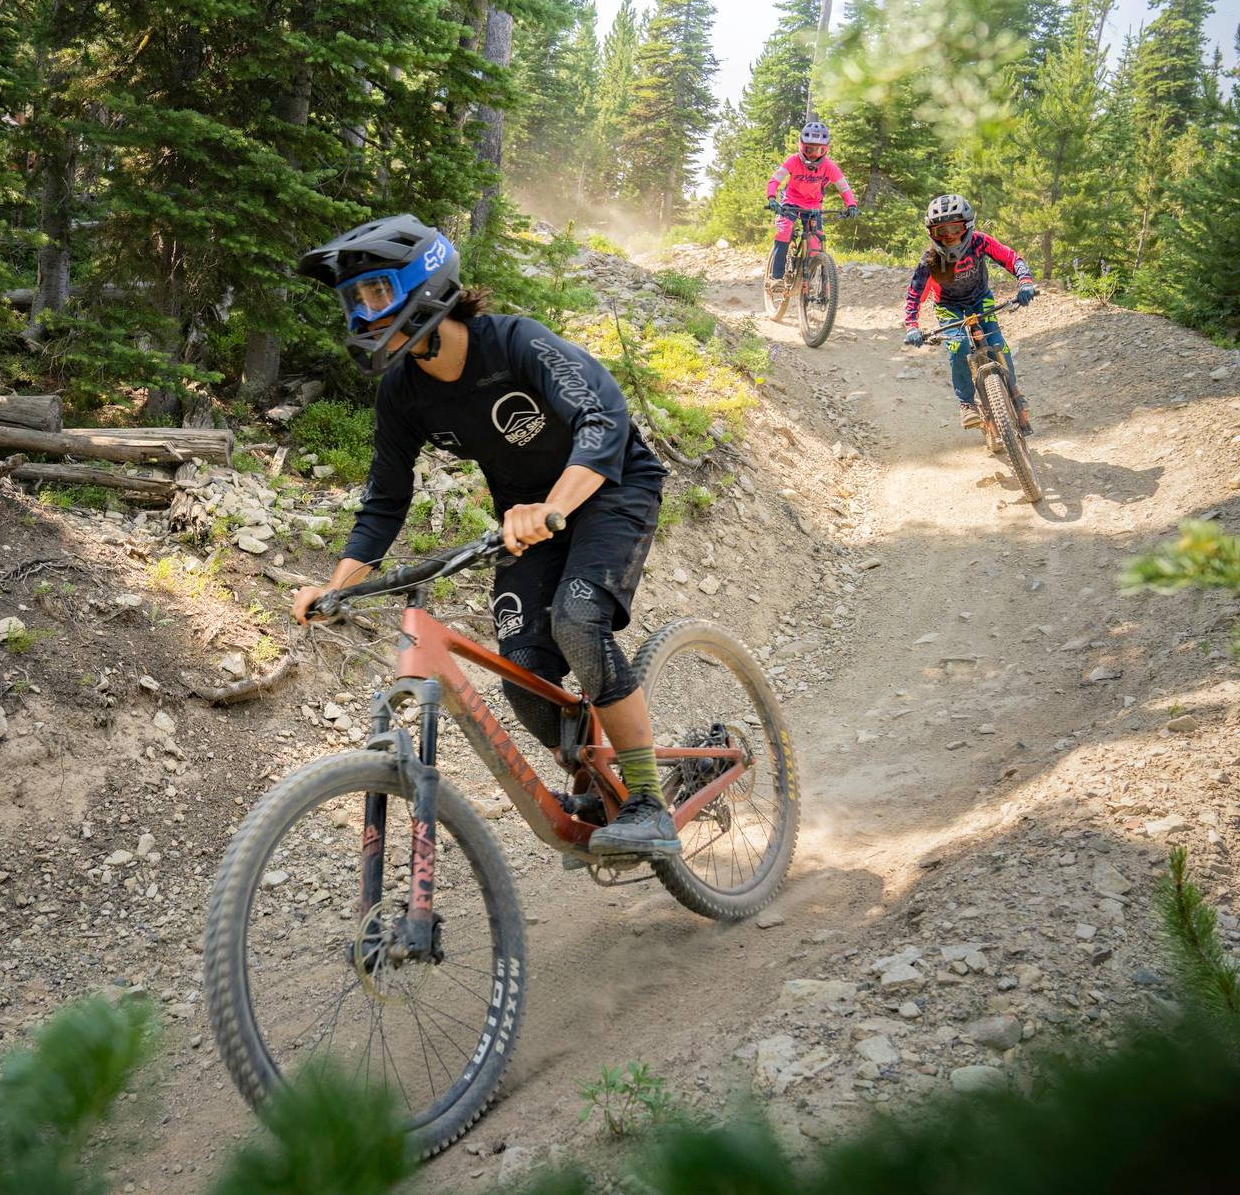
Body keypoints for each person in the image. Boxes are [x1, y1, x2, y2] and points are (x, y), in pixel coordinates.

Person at [290, 214, 679, 858]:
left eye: (377, 292)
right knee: (523, 668)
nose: (365, 312)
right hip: (529, 520)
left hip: (611, 488)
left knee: (578, 621)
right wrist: (336, 590)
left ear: (424, 283)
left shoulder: (514, 342)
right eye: (355, 300)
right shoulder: (402, 393)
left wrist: (551, 505)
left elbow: (602, 417)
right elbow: (384, 504)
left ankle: (646, 801)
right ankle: (596, 779)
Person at [903, 194, 1036, 432]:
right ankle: (966, 403)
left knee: (998, 343)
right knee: (959, 348)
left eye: (955, 228)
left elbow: (1010, 258)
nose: (950, 236)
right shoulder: (929, 260)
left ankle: (1014, 393)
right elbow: (915, 295)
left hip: (980, 300)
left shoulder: (979, 242)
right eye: (941, 231)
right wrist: (912, 326)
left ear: (968, 226)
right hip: (948, 307)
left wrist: (1025, 281)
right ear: (932, 233)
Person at [764, 120, 858, 279]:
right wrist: (772, 198)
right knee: (784, 230)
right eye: (809, 149)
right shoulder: (793, 160)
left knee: (815, 243)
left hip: (813, 205)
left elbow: (844, 188)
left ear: (825, 149)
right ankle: (776, 277)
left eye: (819, 149)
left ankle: (807, 282)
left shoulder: (829, 166)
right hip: (790, 201)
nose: (814, 154)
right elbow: (775, 179)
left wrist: (851, 205)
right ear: (801, 146)